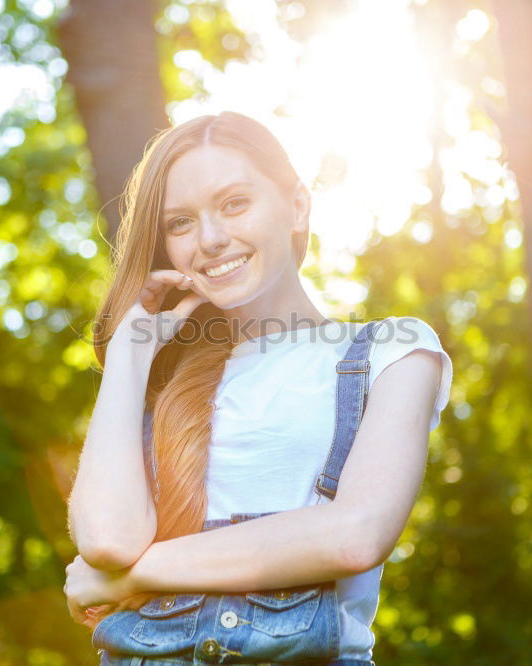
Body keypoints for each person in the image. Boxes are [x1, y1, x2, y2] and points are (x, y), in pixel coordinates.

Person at [63, 111, 453, 665]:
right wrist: (128, 356)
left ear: (297, 205)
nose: (212, 239)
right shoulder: (161, 380)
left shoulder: (390, 350)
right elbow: (105, 542)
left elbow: (355, 535)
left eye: (234, 203)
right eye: (180, 223)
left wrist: (131, 578)